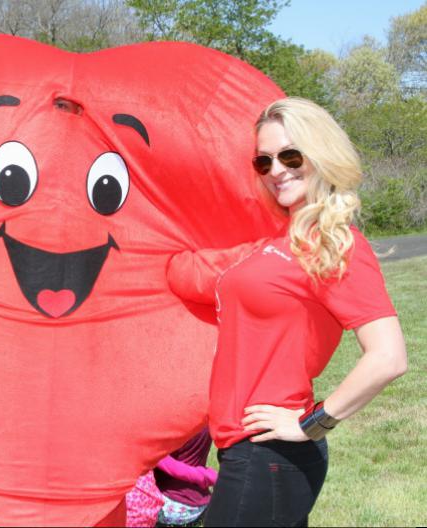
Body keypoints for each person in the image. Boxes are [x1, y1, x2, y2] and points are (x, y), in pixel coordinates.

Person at [166, 97, 407, 527]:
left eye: (291, 156)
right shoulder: (272, 245)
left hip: (273, 452)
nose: (277, 170)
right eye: (264, 161)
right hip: (247, 451)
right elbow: (188, 273)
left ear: (320, 154)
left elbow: (388, 357)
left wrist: (312, 423)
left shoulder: (336, 245)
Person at [126, 427, 217, 528]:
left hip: (172, 507)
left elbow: (170, 465)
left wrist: (207, 477)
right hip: (199, 504)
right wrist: (209, 476)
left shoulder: (160, 433)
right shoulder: (203, 420)